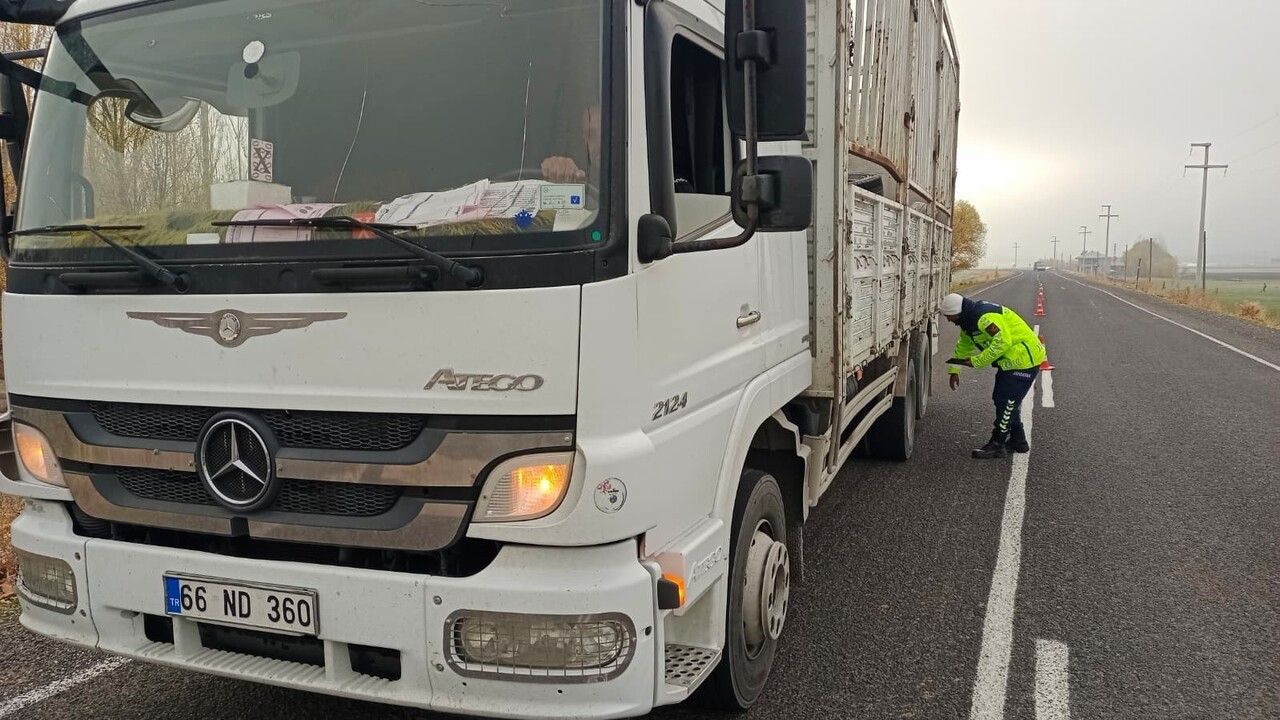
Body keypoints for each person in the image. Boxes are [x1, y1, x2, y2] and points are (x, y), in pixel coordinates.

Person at [941, 292, 1047, 459]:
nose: (949, 320)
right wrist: (954, 370)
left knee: (1006, 401)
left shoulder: (984, 318)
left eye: (950, 317)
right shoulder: (968, 322)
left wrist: (977, 361)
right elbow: (964, 346)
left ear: (958, 313)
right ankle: (1018, 442)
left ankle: (997, 443)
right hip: (1011, 363)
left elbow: (1002, 342)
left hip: (1025, 360)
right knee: (1004, 400)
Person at [540, 105, 600, 183]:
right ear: (582, 140)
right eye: (591, 135)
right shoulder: (575, 174)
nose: (599, 144)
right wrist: (554, 170)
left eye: (606, 134)